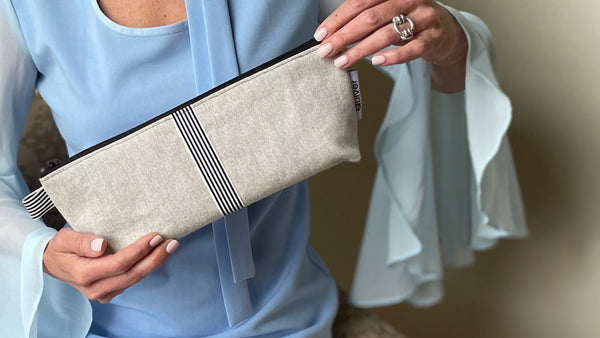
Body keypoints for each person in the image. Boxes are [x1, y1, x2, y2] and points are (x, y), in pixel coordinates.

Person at [0, 0, 527, 337]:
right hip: (98, 326)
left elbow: (432, 57)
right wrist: (43, 252)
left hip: (288, 320)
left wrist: (449, 37)